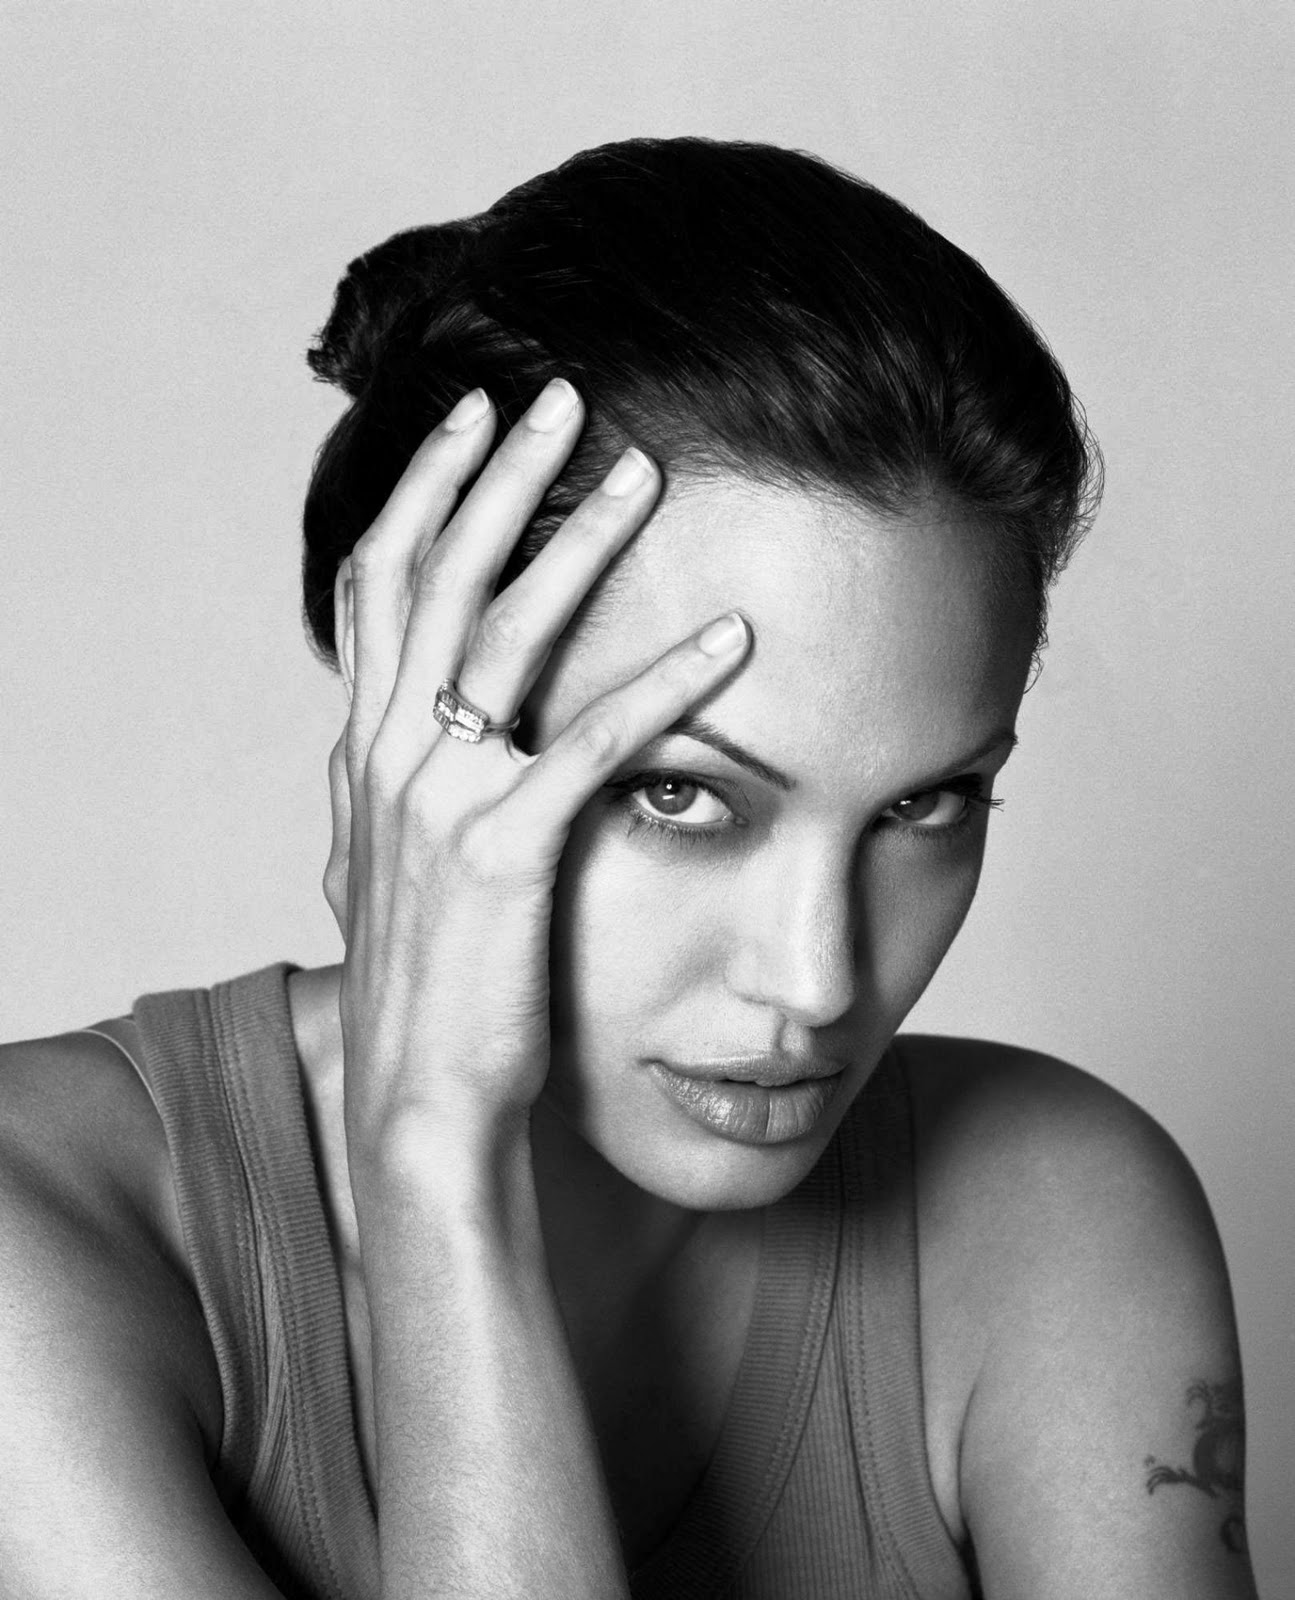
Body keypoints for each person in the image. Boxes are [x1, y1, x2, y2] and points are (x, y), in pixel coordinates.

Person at [0, 137, 1259, 1599]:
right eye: (679, 793)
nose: (815, 980)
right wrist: (437, 1158)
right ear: (408, 708)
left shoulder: (1053, 1217)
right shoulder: (40, 1240)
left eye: (927, 805)